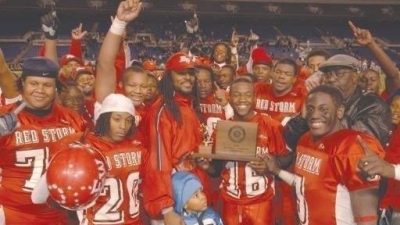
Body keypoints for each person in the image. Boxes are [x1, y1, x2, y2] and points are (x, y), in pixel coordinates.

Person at [265, 85, 385, 225]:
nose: (314, 115)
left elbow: (367, 216)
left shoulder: (351, 146)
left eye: (323, 109)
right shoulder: (305, 140)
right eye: (310, 109)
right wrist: (277, 171)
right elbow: (304, 184)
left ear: (339, 111)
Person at [33, 93, 148, 225]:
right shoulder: (85, 147)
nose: (123, 126)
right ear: (104, 118)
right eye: (117, 119)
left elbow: (37, 197)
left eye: (128, 120)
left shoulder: (137, 147)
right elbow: (39, 197)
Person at [0, 57, 86, 224]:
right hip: (11, 212)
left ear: (56, 88)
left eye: (47, 85)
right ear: (23, 83)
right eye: (34, 83)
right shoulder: (5, 117)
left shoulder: (73, 119)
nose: (40, 90)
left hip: (58, 215)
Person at [213, 77, 288, 225]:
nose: (242, 99)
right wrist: (206, 165)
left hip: (261, 201)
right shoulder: (222, 128)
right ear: (230, 97)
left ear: (254, 98)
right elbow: (216, 168)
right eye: (237, 94)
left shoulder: (270, 125)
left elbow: (286, 157)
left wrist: (272, 166)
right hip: (230, 201)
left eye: (247, 95)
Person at [141, 52, 204, 225]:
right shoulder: (162, 110)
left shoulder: (186, 105)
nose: (188, 78)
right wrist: (166, 209)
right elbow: (157, 162)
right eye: (181, 73)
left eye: (191, 73)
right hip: (171, 199)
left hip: (189, 194)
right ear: (169, 76)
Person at [284, 54, 392, 150]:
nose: (331, 79)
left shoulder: (373, 104)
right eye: (328, 75)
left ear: (354, 77)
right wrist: (303, 118)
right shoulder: (320, 102)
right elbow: (291, 140)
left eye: (339, 74)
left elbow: (360, 145)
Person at [95, 0, 148, 125]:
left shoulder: (150, 110)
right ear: (121, 85)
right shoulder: (111, 102)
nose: (138, 91)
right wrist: (119, 23)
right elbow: (105, 64)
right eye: (132, 85)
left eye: (143, 86)